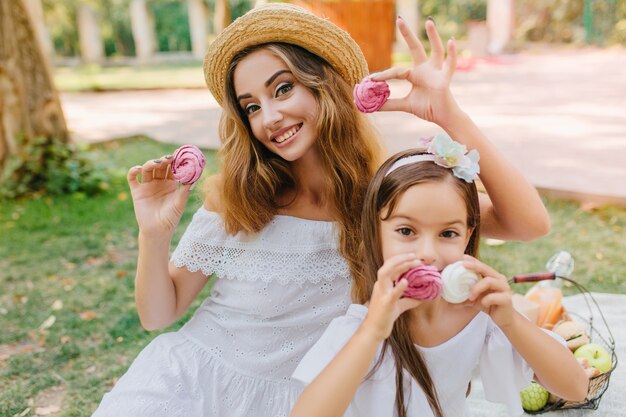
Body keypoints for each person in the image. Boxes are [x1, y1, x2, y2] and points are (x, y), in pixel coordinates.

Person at [92, 4, 551, 416]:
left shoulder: (383, 201)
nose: (268, 117)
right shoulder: (239, 197)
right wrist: (152, 234)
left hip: (311, 397)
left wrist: (450, 115)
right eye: (251, 106)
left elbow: (527, 224)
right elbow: (158, 314)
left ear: (324, 85)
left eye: (283, 88)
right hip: (196, 377)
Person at [289, 140, 589, 417]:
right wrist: (372, 332)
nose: (427, 253)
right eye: (406, 231)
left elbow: (575, 387)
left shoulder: (476, 317)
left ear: (468, 235)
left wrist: (510, 321)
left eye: (448, 234)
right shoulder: (361, 325)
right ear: (375, 231)